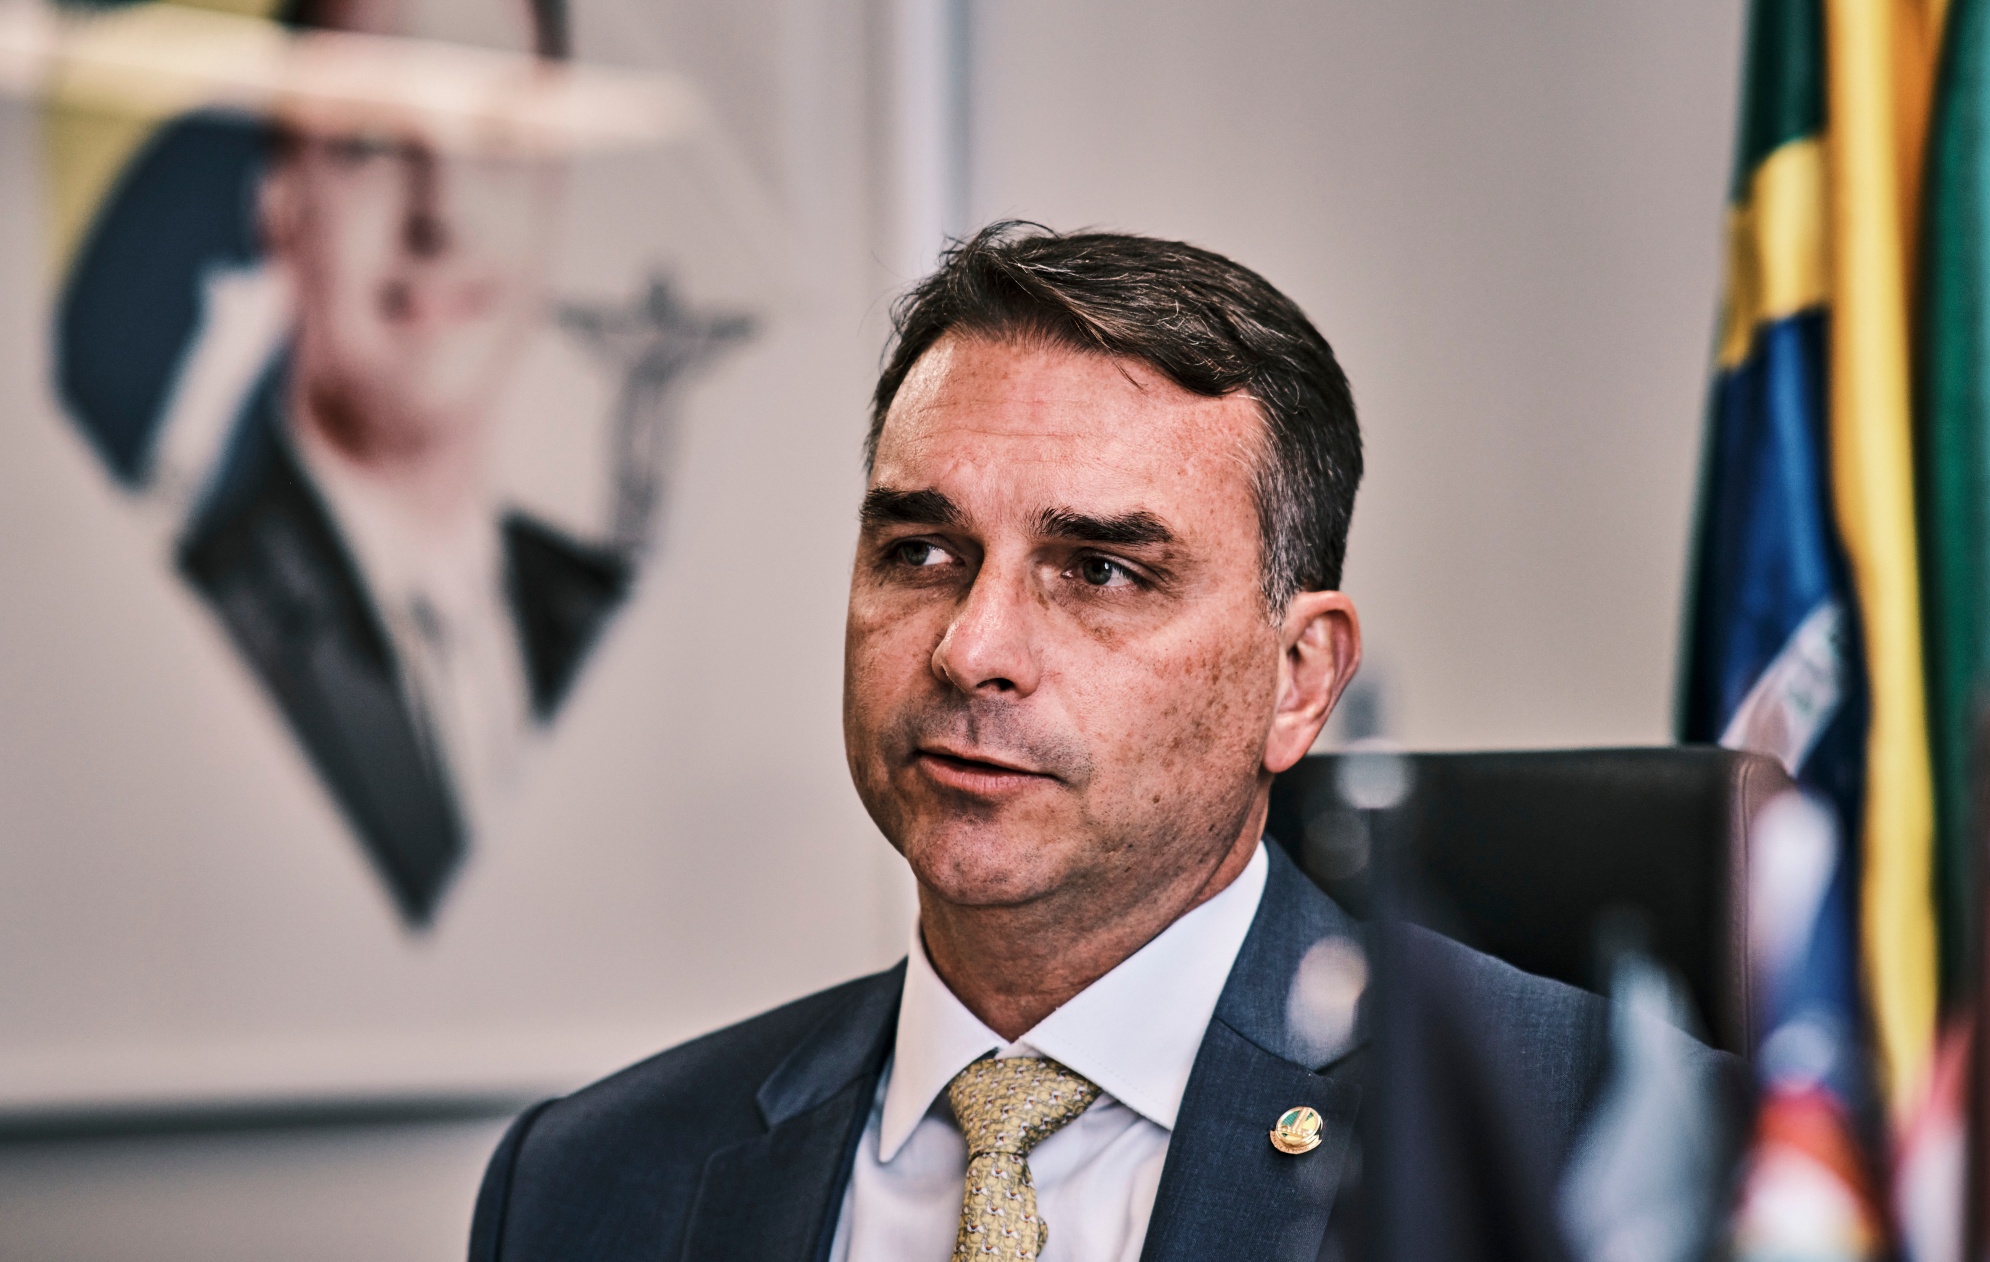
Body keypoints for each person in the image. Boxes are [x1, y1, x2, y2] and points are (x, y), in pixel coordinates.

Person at [467, 224, 1732, 1260]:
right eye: (918, 551)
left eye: (1101, 569)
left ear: (1297, 680)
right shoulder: (587, 1185)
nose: (972, 648)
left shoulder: (1620, 1144)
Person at [165, 0, 629, 926]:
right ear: (279, 199)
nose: (444, 213)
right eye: (372, 139)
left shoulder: (597, 608)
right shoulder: (199, 607)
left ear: (554, 190)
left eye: (498, 138)